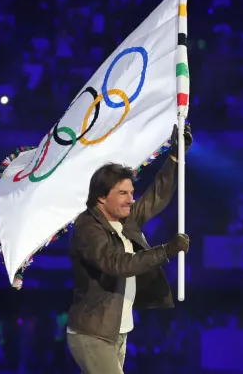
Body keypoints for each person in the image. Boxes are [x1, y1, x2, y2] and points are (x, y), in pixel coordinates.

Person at [66, 124, 193, 374]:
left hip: (117, 331)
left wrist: (175, 157)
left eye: (131, 193)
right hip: (92, 333)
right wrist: (166, 250)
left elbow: (156, 197)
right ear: (102, 197)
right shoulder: (87, 227)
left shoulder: (124, 218)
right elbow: (117, 263)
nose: (130, 199)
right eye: (123, 193)